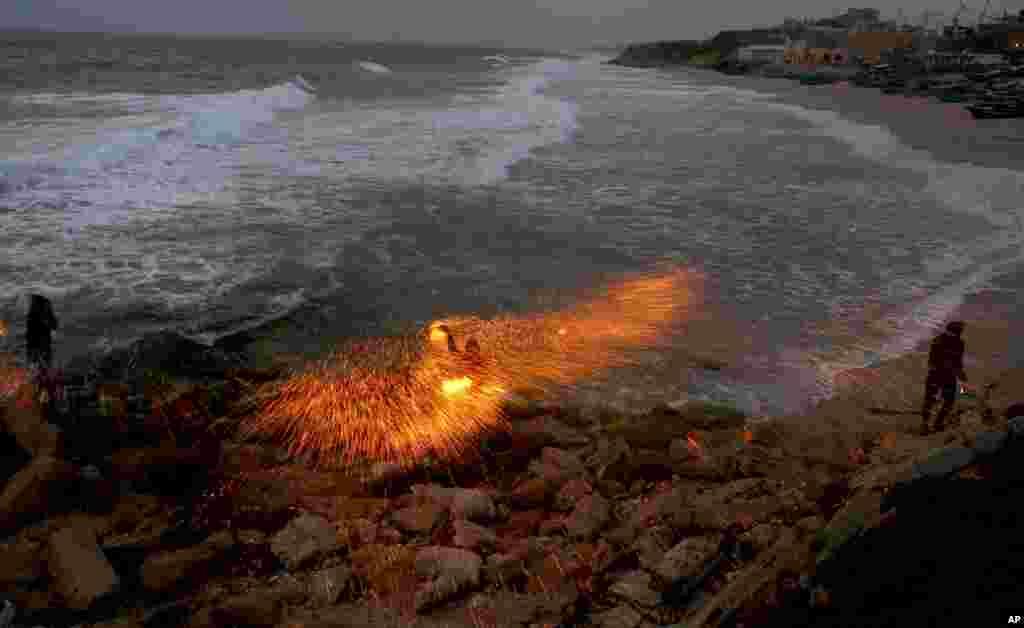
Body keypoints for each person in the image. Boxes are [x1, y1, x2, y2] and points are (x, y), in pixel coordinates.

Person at [920, 320, 969, 435]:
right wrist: (959, 373)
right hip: (941, 375)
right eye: (960, 331)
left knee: (938, 400)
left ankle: (931, 423)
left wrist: (959, 372)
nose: (960, 333)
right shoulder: (952, 342)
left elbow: (956, 361)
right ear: (958, 331)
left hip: (942, 375)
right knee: (941, 400)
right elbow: (935, 362)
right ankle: (931, 424)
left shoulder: (950, 341)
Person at [26, 294, 58, 370]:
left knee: (40, 364)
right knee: (41, 365)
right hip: (38, 344)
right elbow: (54, 325)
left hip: (39, 344)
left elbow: (53, 325)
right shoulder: (35, 312)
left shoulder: (37, 311)